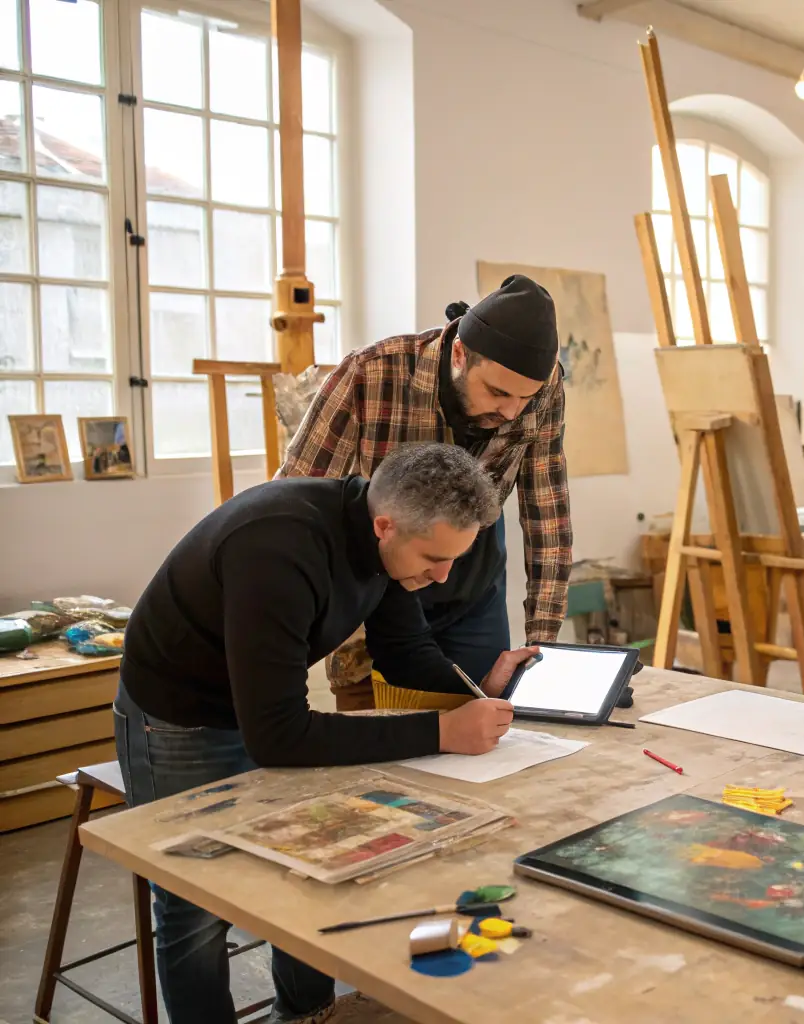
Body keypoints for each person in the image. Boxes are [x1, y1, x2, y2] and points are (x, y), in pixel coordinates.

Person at [115, 443, 540, 1024]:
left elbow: (405, 649)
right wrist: (442, 731)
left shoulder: (382, 540)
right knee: (194, 905)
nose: (442, 576)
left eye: (454, 560)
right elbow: (278, 736)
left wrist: (475, 688)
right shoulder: (277, 547)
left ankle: (309, 1016)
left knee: (301, 874)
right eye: (434, 558)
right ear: (386, 526)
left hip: (262, 705)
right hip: (180, 711)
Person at [280, 273, 571, 708]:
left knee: (477, 716)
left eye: (524, 400)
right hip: (376, 563)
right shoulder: (371, 374)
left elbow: (547, 514)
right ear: (459, 353)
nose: (511, 412)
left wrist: (543, 646)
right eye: (497, 392)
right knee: (372, 725)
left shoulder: (543, 389)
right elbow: (296, 501)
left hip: (472, 569)